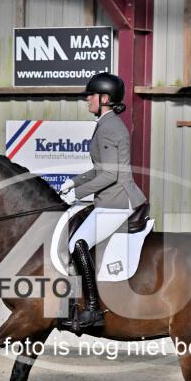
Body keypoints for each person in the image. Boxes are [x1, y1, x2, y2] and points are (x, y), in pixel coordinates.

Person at [57, 72, 147, 332]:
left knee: (77, 243)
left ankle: (93, 309)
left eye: (91, 95)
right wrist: (74, 182)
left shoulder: (109, 128)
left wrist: (78, 194)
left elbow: (110, 175)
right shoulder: (107, 124)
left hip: (117, 201)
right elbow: (100, 169)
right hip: (111, 198)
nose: (87, 99)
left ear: (105, 99)